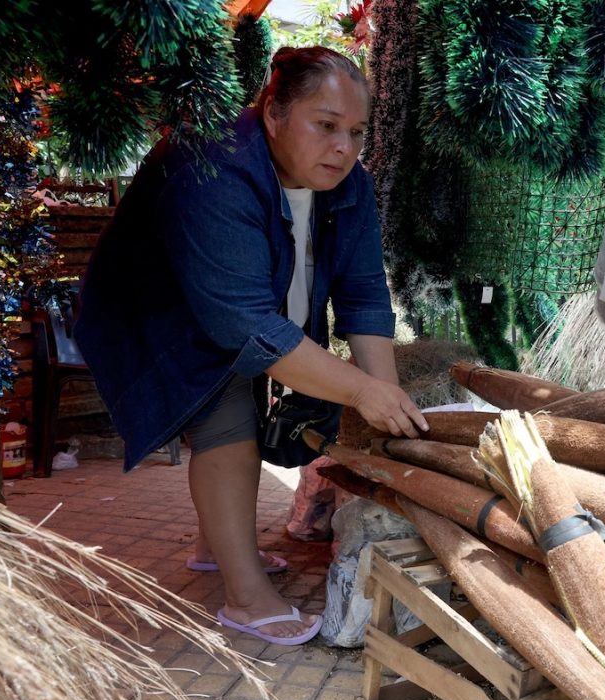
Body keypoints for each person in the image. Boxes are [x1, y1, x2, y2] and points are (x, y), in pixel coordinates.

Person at [75, 46, 428, 646]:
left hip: (245, 308)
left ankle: (220, 547)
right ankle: (245, 598)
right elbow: (241, 325)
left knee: (250, 389)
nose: (344, 147)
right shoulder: (212, 164)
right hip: (160, 307)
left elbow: (365, 294)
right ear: (273, 111)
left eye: (356, 132)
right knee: (228, 416)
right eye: (325, 125)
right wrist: (360, 390)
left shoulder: (351, 185)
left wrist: (385, 399)